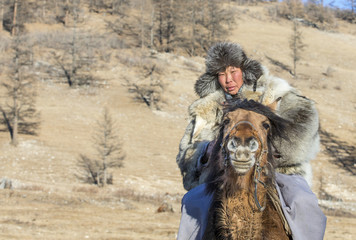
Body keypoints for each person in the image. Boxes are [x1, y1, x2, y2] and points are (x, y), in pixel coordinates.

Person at [176, 42, 326, 239]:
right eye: (221, 74)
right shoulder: (207, 110)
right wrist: (205, 153)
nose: (228, 79)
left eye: (233, 70)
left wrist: (264, 150)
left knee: (303, 202)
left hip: (277, 175)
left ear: (244, 69)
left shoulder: (272, 92)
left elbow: (303, 124)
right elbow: (185, 153)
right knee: (191, 202)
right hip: (222, 181)